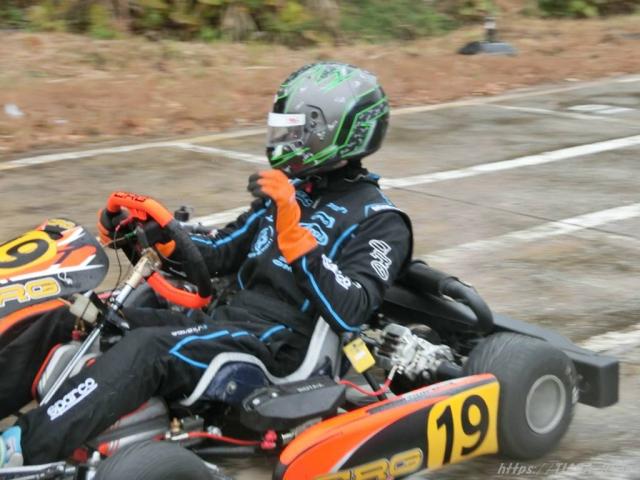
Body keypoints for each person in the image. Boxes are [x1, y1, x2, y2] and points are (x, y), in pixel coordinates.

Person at [0, 62, 412, 467]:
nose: (286, 139)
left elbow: (351, 308)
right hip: (223, 322)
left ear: (335, 134)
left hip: (278, 349)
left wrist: (295, 237)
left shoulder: (381, 220)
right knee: (77, 315)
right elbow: (218, 251)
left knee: (149, 349)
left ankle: (22, 448)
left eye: (297, 130)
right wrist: (149, 232)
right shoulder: (290, 193)